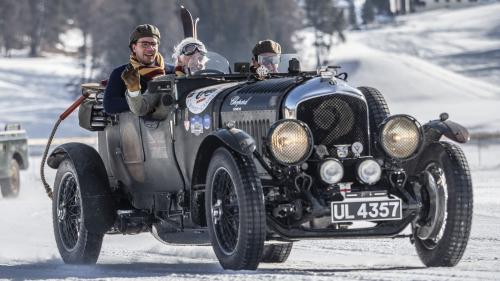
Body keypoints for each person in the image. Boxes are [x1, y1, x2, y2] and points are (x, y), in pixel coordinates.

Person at [103, 24, 174, 116]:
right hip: (134, 129)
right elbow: (110, 105)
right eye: (144, 44)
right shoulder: (122, 74)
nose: (150, 49)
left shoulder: (171, 71)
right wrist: (140, 101)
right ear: (134, 47)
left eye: (153, 44)